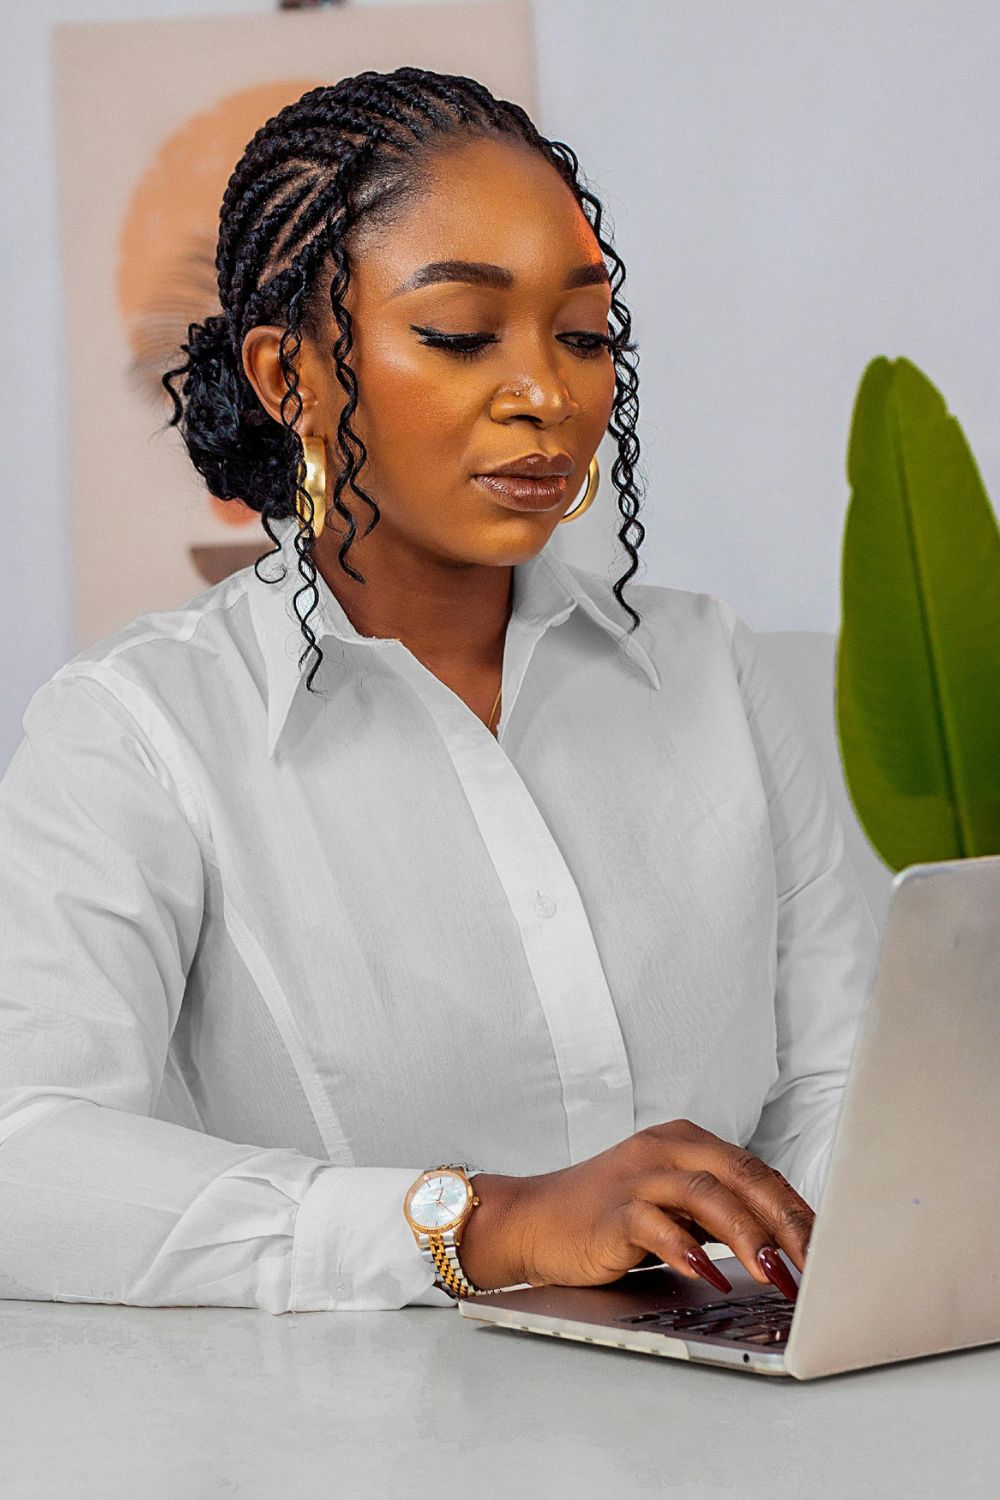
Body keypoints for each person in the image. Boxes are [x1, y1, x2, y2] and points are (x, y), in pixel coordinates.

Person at [0, 68, 879, 1314]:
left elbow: (839, 1081)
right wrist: (481, 1223)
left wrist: (810, 1265)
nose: (548, 395)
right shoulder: (138, 736)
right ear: (288, 377)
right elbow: (23, 1157)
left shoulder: (713, 671)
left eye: (583, 336)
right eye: (462, 334)